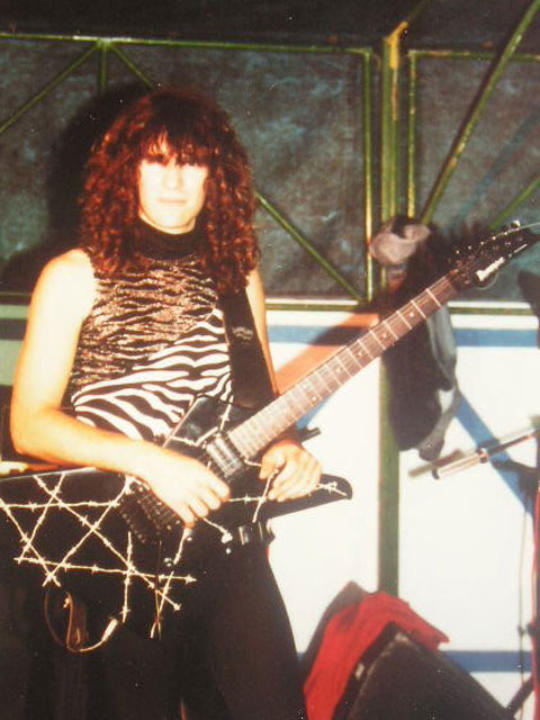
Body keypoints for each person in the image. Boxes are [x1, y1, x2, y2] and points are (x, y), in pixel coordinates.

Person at [10, 86, 321, 720]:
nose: (175, 181)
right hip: (119, 547)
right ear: (125, 172)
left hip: (227, 540)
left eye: (192, 162)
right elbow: (29, 425)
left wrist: (286, 446)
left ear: (217, 175)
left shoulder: (237, 275)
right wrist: (152, 461)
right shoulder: (74, 274)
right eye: (156, 161)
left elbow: (258, 402)